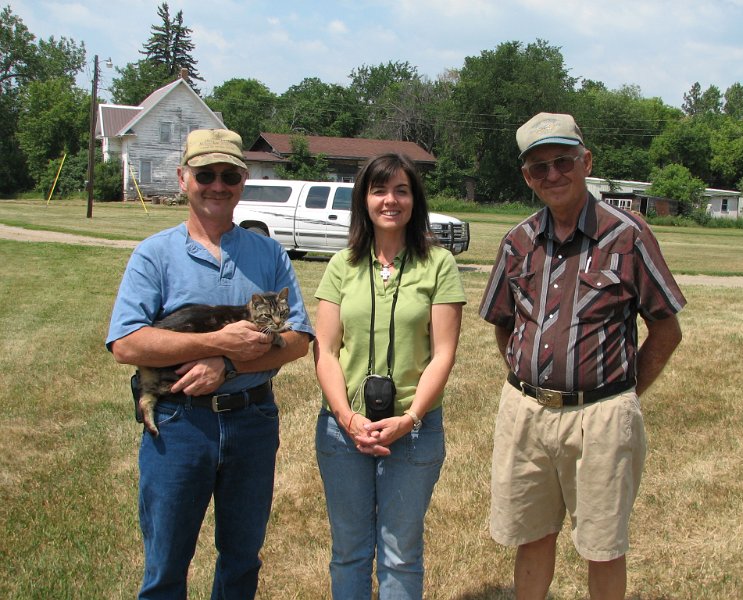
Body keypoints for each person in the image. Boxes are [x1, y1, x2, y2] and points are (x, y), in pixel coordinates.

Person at [479, 112, 685, 600]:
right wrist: (527, 379)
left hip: (603, 416)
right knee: (530, 536)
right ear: (527, 177)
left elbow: (666, 329)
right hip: (526, 414)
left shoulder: (628, 236)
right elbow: (503, 324)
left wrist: (624, 394)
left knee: (602, 545)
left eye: (562, 161)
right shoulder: (517, 241)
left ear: (585, 161)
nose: (553, 175)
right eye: (538, 167)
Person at [105, 129, 314, 599]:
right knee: (166, 565)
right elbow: (126, 343)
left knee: (242, 560)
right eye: (205, 175)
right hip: (179, 423)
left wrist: (230, 364)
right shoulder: (155, 254)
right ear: (183, 179)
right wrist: (219, 341)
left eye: (229, 175)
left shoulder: (268, 253)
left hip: (253, 419)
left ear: (242, 181)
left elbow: (299, 339)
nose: (217, 185)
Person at [314, 153, 466, 599]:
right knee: (349, 552)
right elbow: (324, 349)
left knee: (401, 554)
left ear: (415, 200)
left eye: (401, 190)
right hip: (344, 432)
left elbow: (444, 354)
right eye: (379, 190)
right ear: (363, 199)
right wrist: (346, 417)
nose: (390, 200)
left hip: (413, 430)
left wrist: (411, 417)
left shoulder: (438, 264)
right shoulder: (342, 264)